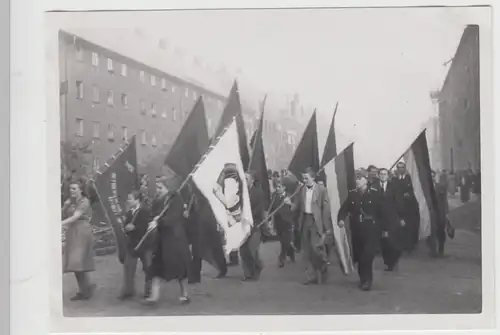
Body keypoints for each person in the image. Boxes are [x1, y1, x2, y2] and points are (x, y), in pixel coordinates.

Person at [146, 176, 192, 304]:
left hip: (175, 239)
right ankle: (154, 296)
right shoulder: (157, 201)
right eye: (157, 188)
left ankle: (185, 294)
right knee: (156, 267)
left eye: (161, 188)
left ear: (168, 187)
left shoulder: (176, 200)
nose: (158, 190)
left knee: (180, 269)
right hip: (161, 240)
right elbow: (152, 214)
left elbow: (174, 218)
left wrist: (159, 221)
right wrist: (152, 220)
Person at [337, 174, 385, 291]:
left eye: (360, 178)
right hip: (357, 230)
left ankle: (367, 281)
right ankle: (363, 278)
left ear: (366, 180)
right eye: (356, 179)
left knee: (367, 256)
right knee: (359, 256)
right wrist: (341, 219)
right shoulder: (353, 195)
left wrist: (383, 229)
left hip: (371, 230)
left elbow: (382, 212)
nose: (357, 181)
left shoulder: (375, 194)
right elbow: (344, 209)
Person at [290, 167, 332, 285]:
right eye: (303, 178)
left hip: (316, 221)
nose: (304, 180)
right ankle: (311, 276)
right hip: (305, 220)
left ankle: (323, 266)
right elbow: (296, 205)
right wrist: (290, 203)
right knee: (307, 250)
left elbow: (326, 209)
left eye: (306, 178)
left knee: (316, 247)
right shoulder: (301, 189)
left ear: (313, 178)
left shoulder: (322, 190)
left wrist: (326, 226)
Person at [61, 179, 96, 301]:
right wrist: (65, 206)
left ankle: (87, 288)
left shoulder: (84, 201)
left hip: (83, 231)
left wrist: (59, 223)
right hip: (73, 232)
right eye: (70, 189)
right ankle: (84, 289)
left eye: (74, 188)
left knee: (78, 261)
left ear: (81, 190)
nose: (72, 191)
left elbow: (76, 217)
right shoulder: (70, 202)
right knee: (74, 263)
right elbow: (64, 214)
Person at [119, 190, 154, 300]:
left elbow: (148, 227)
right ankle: (128, 290)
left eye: (130, 199)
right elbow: (126, 227)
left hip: (145, 244)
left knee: (148, 267)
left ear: (137, 200)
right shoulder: (129, 213)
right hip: (132, 244)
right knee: (128, 267)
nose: (128, 201)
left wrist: (135, 228)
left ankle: (149, 291)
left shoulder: (145, 211)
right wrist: (125, 228)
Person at [375, 168, 403, 271]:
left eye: (385, 174)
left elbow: (399, 202)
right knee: (383, 242)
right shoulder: (375, 187)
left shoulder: (393, 187)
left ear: (388, 176)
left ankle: (394, 259)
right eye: (381, 174)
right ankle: (388, 262)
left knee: (392, 241)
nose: (383, 176)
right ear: (378, 175)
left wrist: (400, 217)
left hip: (392, 218)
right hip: (380, 219)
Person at [239, 171, 265, 281]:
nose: (244, 180)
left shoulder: (258, 192)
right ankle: (248, 274)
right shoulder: (239, 193)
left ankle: (258, 266)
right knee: (243, 251)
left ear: (252, 180)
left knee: (252, 249)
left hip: (255, 225)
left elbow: (259, 209)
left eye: (247, 178)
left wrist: (248, 216)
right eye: (243, 178)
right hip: (242, 226)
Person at [392, 162, 420, 253]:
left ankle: (409, 246)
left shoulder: (408, 179)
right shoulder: (394, 180)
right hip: (398, 206)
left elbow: (410, 193)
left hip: (408, 207)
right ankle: (401, 246)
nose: (401, 169)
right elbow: (395, 193)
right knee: (399, 227)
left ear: (404, 168)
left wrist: (405, 195)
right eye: (399, 168)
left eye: (402, 167)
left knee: (408, 227)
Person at [269, 179, 295, 267]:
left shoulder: (290, 196)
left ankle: (281, 258)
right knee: (283, 241)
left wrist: (290, 203)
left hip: (288, 221)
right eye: (276, 187)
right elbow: (271, 208)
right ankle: (291, 252)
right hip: (278, 222)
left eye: (279, 187)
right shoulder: (274, 195)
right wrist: (270, 221)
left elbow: (295, 208)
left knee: (285, 240)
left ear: (284, 187)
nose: (277, 188)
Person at [429, 170, 449, 257]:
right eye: (430, 177)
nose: (432, 178)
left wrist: (446, 212)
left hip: (440, 213)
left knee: (440, 231)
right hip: (431, 214)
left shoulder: (440, 187)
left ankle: (441, 249)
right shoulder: (426, 189)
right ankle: (433, 251)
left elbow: (444, 200)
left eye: (433, 176)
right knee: (432, 232)